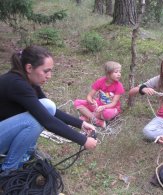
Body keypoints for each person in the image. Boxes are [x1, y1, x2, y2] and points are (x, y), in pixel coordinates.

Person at [0, 45, 97, 174]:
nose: (49, 76)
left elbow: (50, 111)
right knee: (34, 121)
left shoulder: (27, 80)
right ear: (29, 68)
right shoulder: (17, 84)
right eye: (46, 71)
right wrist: (83, 140)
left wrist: (80, 124)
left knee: (47, 105)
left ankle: (25, 156)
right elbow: (47, 121)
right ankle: (8, 171)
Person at [74, 61, 125, 128]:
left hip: (111, 108)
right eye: (116, 72)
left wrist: (104, 107)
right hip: (99, 105)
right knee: (77, 102)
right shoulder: (100, 81)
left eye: (119, 72)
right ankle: (97, 121)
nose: (119, 74)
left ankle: (88, 118)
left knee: (107, 113)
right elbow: (89, 96)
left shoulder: (119, 86)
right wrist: (91, 101)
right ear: (108, 73)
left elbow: (114, 103)